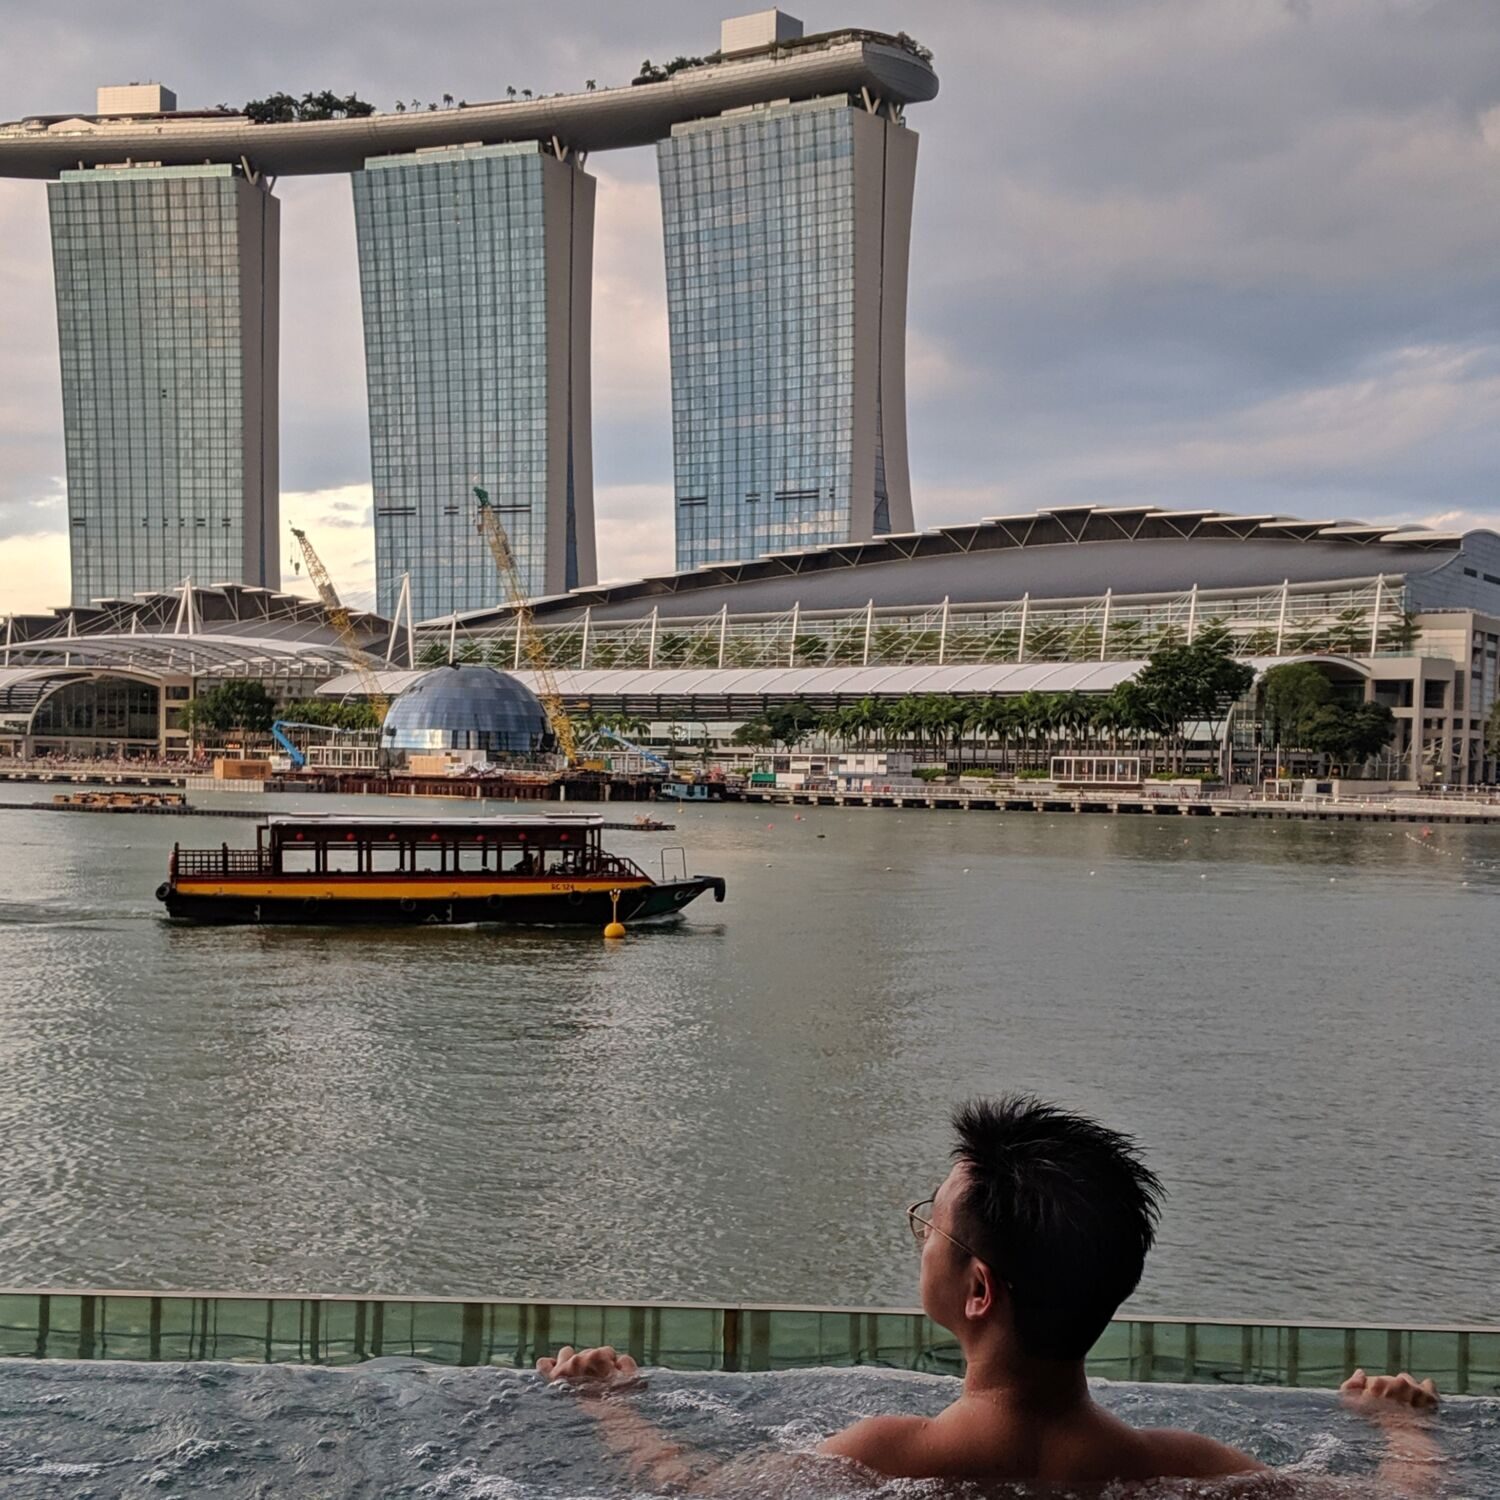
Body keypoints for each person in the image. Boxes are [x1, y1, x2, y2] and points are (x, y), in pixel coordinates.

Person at [539, 1095, 1441, 1493]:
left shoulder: (885, 1454)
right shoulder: (1188, 1467)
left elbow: (689, 1488)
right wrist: (1402, 1428)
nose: (920, 1236)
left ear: (977, 1290)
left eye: (928, 1224)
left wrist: (609, 1400)